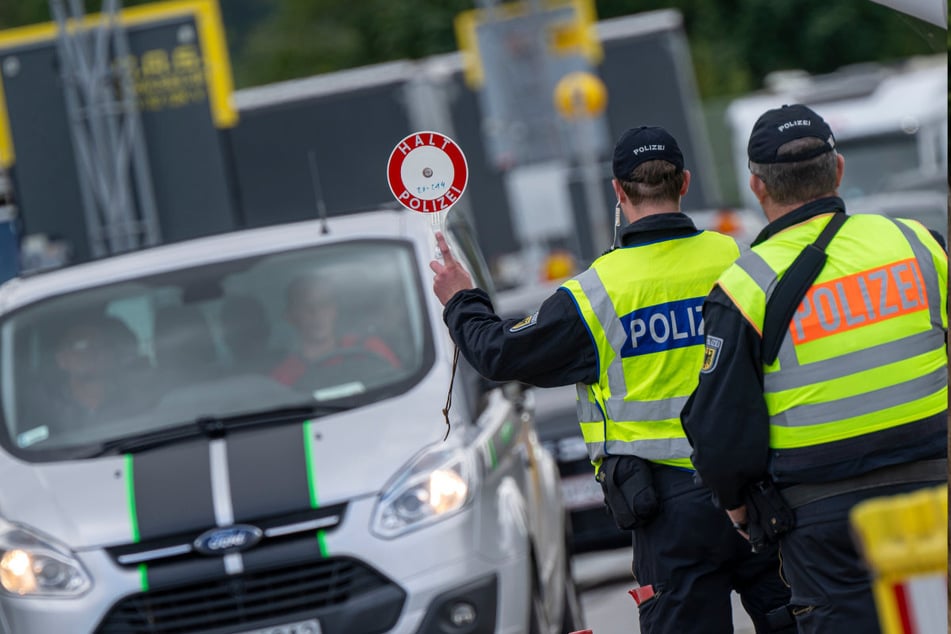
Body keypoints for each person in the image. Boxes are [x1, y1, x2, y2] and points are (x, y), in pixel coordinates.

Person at [430, 126, 794, 634]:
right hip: (758, 490)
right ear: (684, 182)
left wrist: (461, 299)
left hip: (667, 514)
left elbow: (498, 353)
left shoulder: (596, 292)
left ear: (618, 192)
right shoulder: (739, 260)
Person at [680, 104, 948, 633]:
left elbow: (720, 428)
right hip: (934, 491)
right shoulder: (917, 243)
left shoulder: (745, 286)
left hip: (825, 517)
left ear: (757, 187)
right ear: (839, 169)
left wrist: (738, 508)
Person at [270, 271, 401, 388]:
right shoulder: (282, 378)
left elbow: (400, 391)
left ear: (335, 309)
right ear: (290, 316)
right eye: (306, 307)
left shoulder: (370, 348)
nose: (317, 313)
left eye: (324, 304)